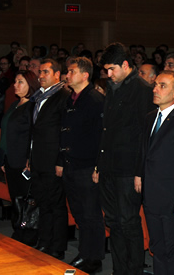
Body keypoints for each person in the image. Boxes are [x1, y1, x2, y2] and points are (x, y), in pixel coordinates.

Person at [95, 42, 155, 275]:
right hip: (109, 165)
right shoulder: (113, 86)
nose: (108, 74)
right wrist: (99, 165)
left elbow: (144, 134)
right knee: (114, 221)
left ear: (126, 65)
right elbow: (106, 129)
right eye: (106, 70)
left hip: (129, 168)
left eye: (112, 69)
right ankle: (120, 270)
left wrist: (140, 171)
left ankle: (133, 270)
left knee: (128, 222)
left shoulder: (142, 90)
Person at [137, 71, 174, 275]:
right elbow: (144, 152)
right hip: (151, 194)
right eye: (155, 85)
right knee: (157, 247)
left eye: (162, 86)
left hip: (171, 198)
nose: (155, 89)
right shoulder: (150, 117)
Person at [60, 57, 106, 273]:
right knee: (79, 211)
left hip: (87, 165)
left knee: (90, 214)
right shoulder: (72, 99)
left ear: (85, 75)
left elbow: (100, 138)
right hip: (71, 163)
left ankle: (93, 257)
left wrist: (98, 166)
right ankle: (84, 251)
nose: (67, 75)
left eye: (71, 71)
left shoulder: (95, 100)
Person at [30, 59, 71, 260]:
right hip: (38, 158)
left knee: (56, 204)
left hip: (53, 159)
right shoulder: (38, 97)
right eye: (39, 72)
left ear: (57, 75)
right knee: (43, 202)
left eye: (45, 72)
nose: (40, 75)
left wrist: (60, 160)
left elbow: (65, 132)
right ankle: (44, 240)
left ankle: (57, 245)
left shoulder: (63, 95)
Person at [0, 70, 40, 246]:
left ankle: (29, 235)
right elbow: (5, 133)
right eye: (15, 81)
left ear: (30, 85)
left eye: (20, 82)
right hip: (10, 159)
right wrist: (2, 158)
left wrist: (30, 160)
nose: (15, 85)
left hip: (23, 161)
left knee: (27, 200)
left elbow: (34, 136)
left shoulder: (32, 107)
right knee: (15, 198)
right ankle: (18, 229)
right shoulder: (15, 104)